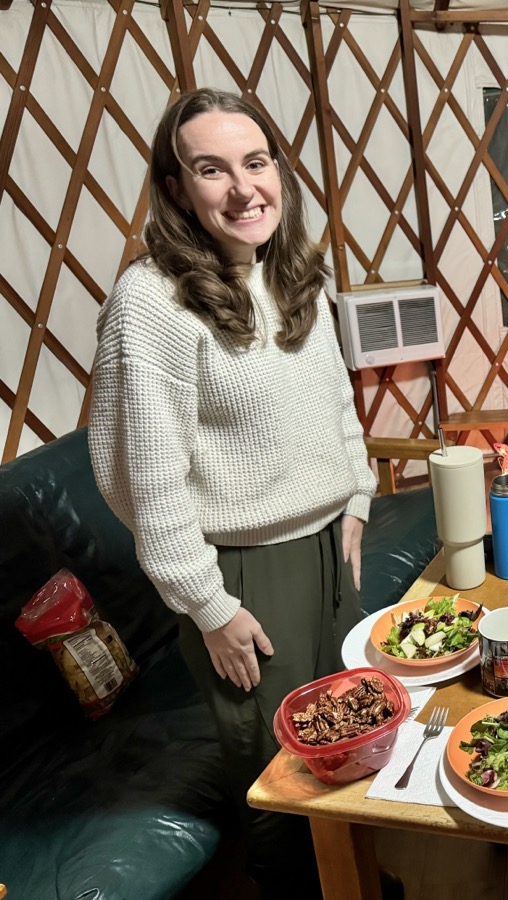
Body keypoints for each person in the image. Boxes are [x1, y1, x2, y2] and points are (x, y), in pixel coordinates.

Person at [89, 88, 375, 897]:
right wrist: (207, 605)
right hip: (244, 573)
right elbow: (144, 478)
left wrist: (355, 495)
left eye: (256, 162)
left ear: (279, 169)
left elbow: (338, 403)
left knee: (350, 733)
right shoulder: (152, 303)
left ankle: (351, 880)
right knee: (280, 770)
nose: (244, 188)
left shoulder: (295, 273)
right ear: (177, 188)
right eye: (211, 170)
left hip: (330, 550)